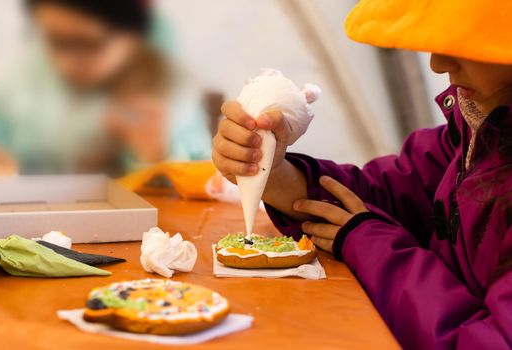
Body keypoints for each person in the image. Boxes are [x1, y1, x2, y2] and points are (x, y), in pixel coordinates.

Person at [212, 1, 512, 349]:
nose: (438, 62)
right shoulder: (480, 131)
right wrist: (270, 170)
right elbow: (391, 191)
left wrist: (370, 245)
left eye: (467, 39)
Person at [0, 0, 211, 176]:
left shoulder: (168, 90)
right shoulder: (25, 72)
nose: (67, 63)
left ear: (132, 37)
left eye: (88, 44)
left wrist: (156, 155)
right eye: (55, 42)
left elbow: (204, 177)